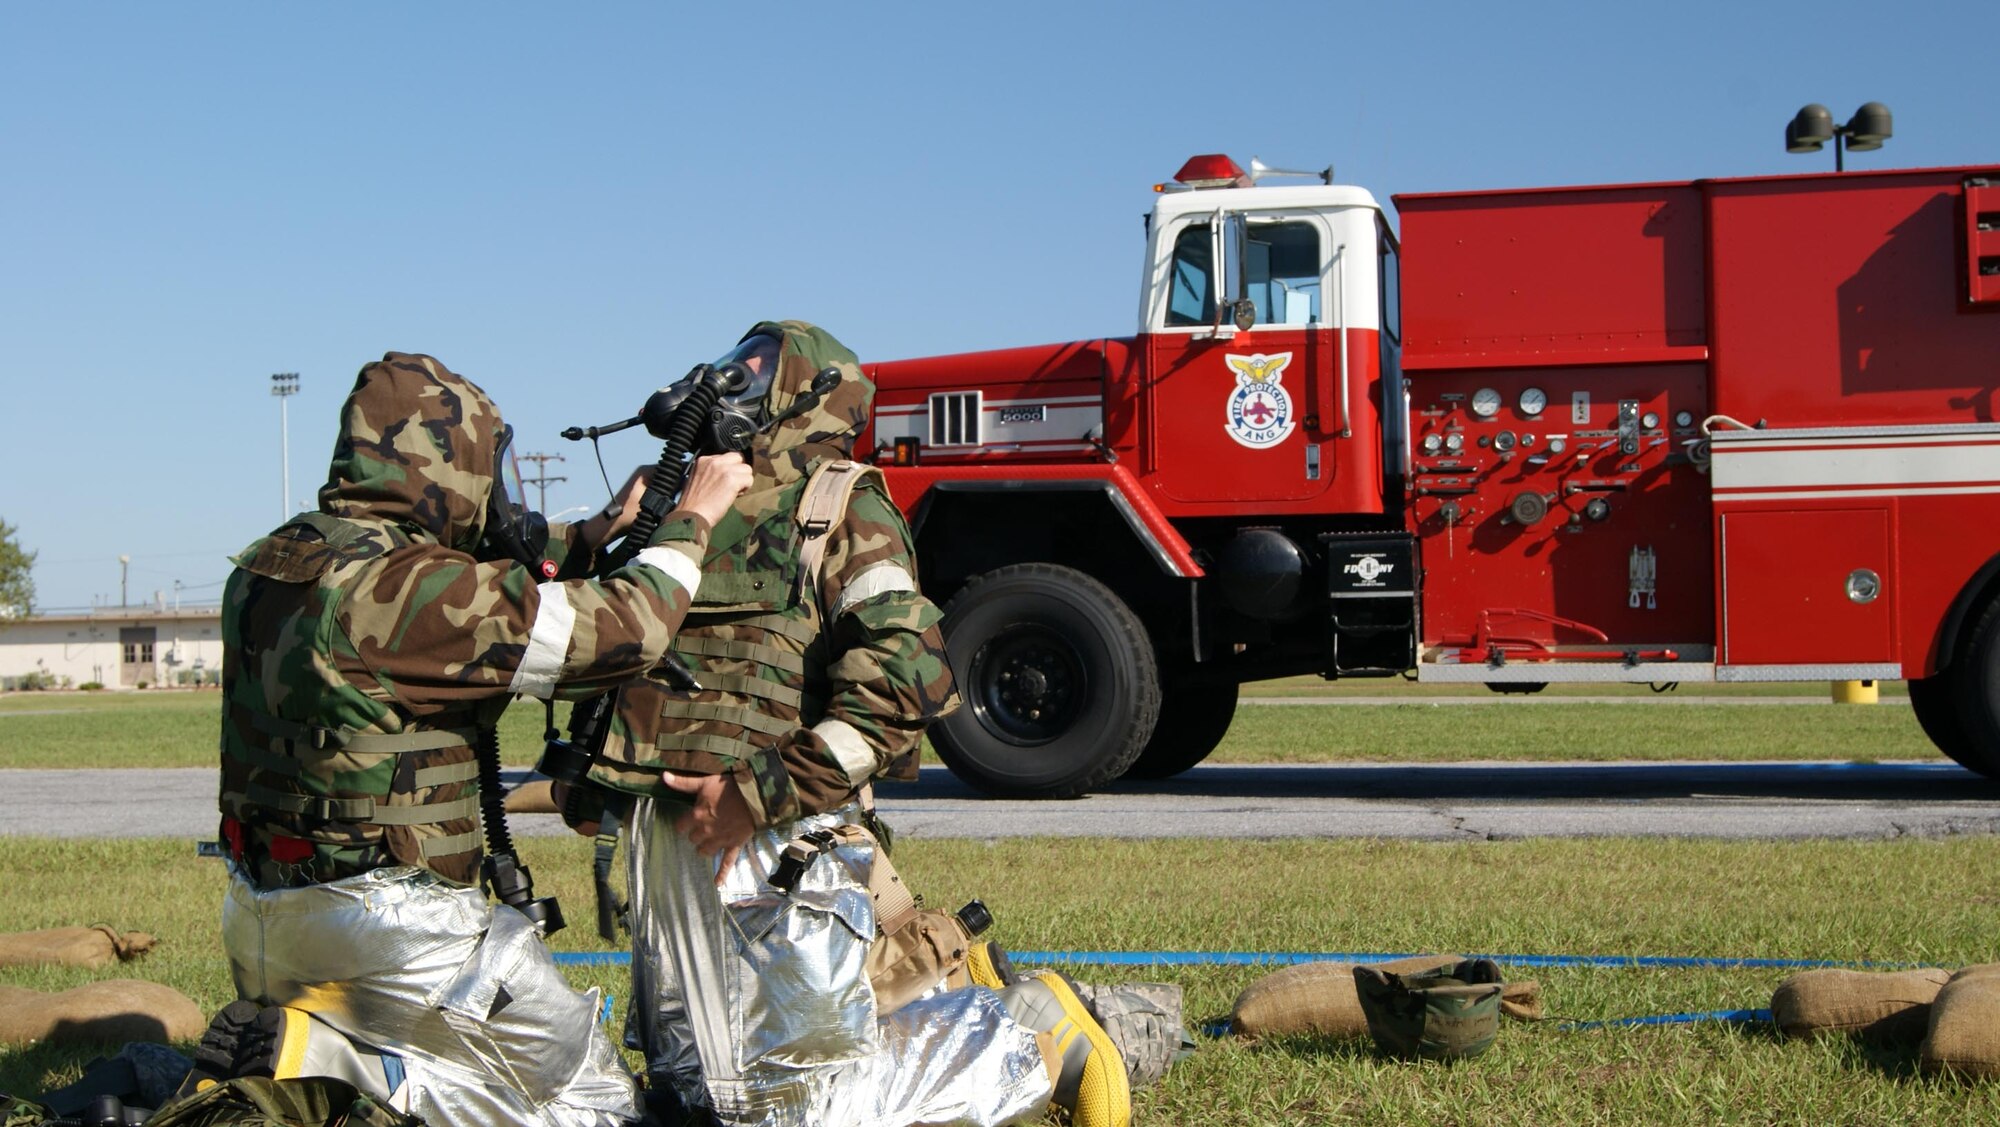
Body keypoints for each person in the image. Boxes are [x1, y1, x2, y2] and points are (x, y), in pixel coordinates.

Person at [582, 321, 1132, 1127]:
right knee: (690, 1102)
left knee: (792, 1107)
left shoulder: (836, 502)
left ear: (807, 391)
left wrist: (762, 791)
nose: (729, 376)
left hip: (775, 846)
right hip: (666, 853)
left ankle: (1029, 1037)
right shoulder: (677, 508)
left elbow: (910, 674)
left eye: (758, 366)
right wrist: (613, 532)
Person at [204, 350, 752, 1127]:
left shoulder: (276, 563)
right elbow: (628, 629)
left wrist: (598, 530)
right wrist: (693, 516)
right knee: (588, 1096)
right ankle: (347, 1075)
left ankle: (326, 1062)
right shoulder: (404, 589)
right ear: (443, 463)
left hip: (267, 914)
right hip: (390, 930)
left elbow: (490, 585)